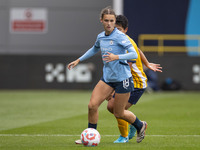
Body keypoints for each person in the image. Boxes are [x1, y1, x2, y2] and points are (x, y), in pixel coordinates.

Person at [68, 6, 147, 144]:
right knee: (92, 106)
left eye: (111, 20)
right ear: (101, 21)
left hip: (123, 79)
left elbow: (134, 54)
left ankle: (140, 125)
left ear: (114, 21)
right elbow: (95, 48)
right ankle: (90, 135)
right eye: (106, 20)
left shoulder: (120, 36)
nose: (109, 23)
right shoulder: (101, 37)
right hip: (108, 79)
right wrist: (79, 60)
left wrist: (117, 56)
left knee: (119, 113)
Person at [106, 15, 162, 143]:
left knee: (118, 110)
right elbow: (138, 49)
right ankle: (135, 124)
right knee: (112, 107)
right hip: (126, 79)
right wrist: (147, 64)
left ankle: (125, 135)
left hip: (136, 82)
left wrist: (113, 90)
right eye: (114, 29)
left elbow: (125, 70)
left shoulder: (126, 42)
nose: (116, 32)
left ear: (125, 30)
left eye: (119, 29)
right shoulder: (121, 40)